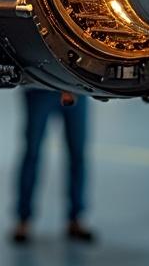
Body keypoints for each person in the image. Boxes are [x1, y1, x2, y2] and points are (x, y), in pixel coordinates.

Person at [12, 89, 94, 244]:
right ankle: (23, 219)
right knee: (32, 153)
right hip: (41, 88)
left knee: (78, 154)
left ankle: (76, 218)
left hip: (75, 88)